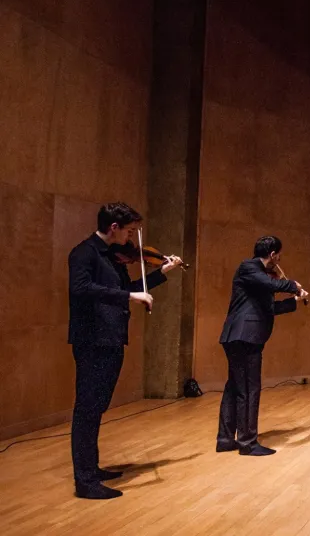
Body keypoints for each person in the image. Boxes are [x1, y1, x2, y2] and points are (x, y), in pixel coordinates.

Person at [68, 202, 183, 499]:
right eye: (129, 231)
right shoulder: (84, 253)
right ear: (114, 227)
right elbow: (81, 288)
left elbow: (133, 286)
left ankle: (91, 468)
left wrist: (161, 272)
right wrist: (129, 295)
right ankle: (85, 480)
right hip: (92, 340)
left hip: (112, 338)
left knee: (97, 406)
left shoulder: (113, 258)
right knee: (87, 409)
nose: (131, 238)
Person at [217, 235, 308, 456]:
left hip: (241, 336)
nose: (279, 261)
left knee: (235, 388)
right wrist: (293, 286)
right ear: (274, 254)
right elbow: (271, 284)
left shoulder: (259, 279)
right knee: (249, 389)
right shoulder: (249, 267)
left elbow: (268, 309)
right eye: (279, 256)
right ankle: (248, 443)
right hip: (245, 336)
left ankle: (226, 439)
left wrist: (293, 301)